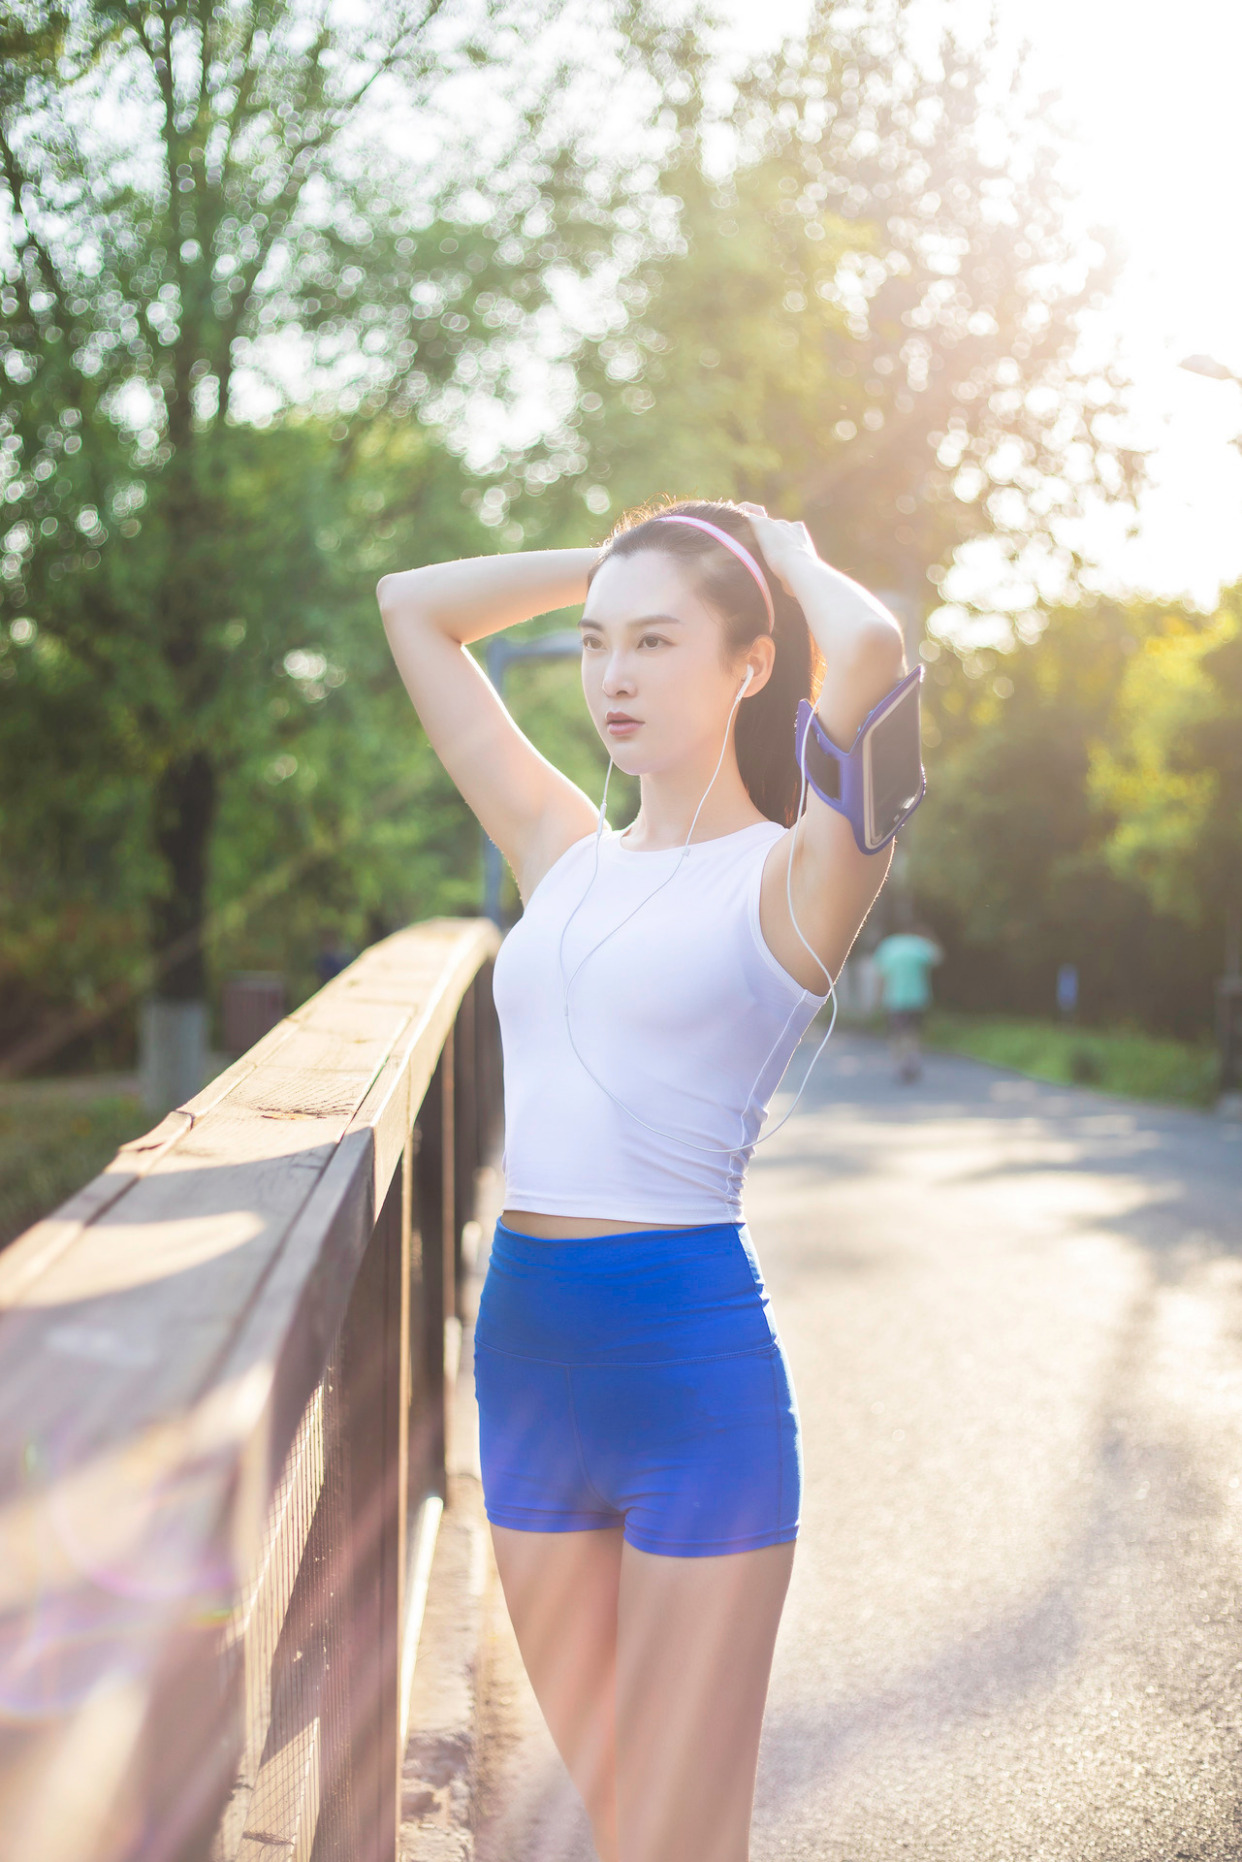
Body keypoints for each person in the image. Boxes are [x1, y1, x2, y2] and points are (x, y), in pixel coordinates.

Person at [377, 498, 906, 1861]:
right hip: (527, 1372)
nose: (611, 673)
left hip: (691, 1387)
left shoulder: (796, 878)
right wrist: (622, 558)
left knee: (678, 1838)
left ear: (746, 664)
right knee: (622, 1822)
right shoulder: (559, 854)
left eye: (656, 640)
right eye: (595, 643)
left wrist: (773, 552)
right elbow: (410, 602)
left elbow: (874, 643)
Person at [871, 922, 943, 1082]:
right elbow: (937, 958)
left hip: (894, 998)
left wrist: (877, 997)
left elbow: (880, 975)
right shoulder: (919, 945)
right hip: (917, 998)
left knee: (896, 1033)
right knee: (913, 1032)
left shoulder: (888, 946)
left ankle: (899, 1064)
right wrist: (929, 937)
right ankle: (913, 1061)